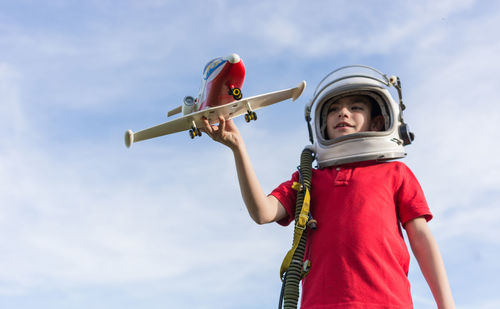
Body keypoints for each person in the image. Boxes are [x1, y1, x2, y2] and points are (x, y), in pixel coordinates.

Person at [202, 66, 455, 308]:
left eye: (355, 107)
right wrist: (238, 147)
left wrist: (446, 305)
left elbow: (421, 238)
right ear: (322, 124)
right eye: (334, 109)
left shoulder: (395, 173)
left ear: (377, 123)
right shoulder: (308, 178)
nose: (342, 113)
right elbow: (263, 213)